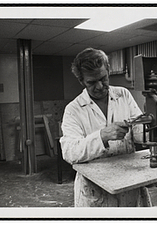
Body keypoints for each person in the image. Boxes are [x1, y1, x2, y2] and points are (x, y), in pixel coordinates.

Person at [60, 48, 148, 207]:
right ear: (82, 81)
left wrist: (153, 123)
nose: (100, 86)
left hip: (128, 181)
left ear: (108, 71)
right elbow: (70, 152)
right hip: (96, 191)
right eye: (91, 82)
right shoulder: (74, 110)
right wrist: (102, 136)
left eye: (103, 78)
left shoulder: (123, 95)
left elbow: (140, 132)